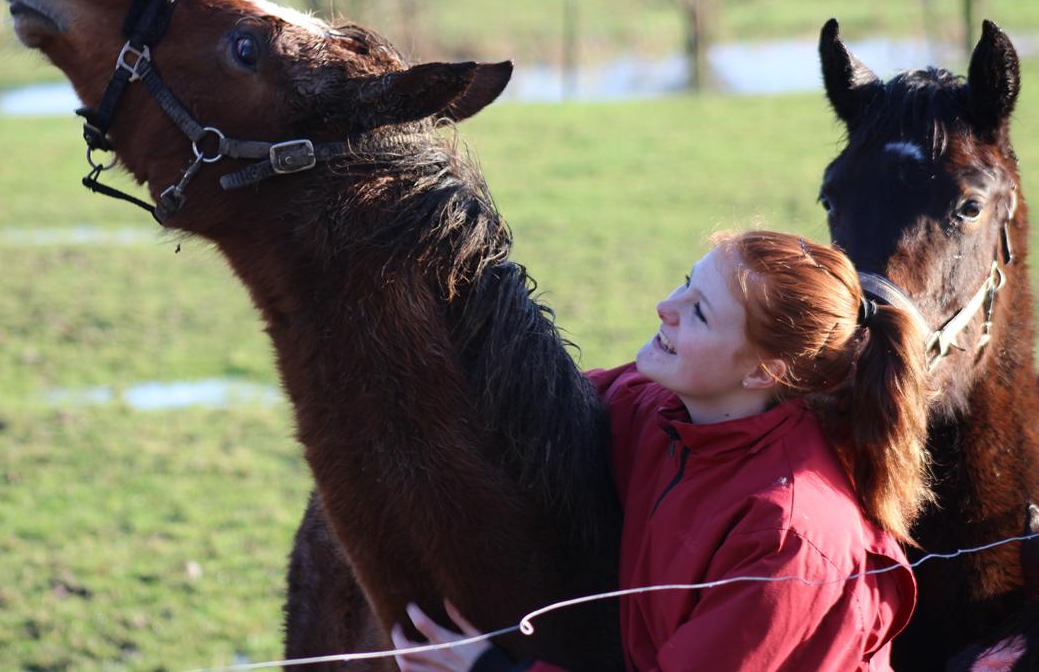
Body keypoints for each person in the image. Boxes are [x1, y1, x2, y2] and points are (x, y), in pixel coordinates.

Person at [391, 230, 929, 671]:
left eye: (699, 313)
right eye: (685, 283)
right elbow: (529, 408)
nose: (664, 307)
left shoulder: (790, 539)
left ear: (765, 372)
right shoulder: (660, 408)